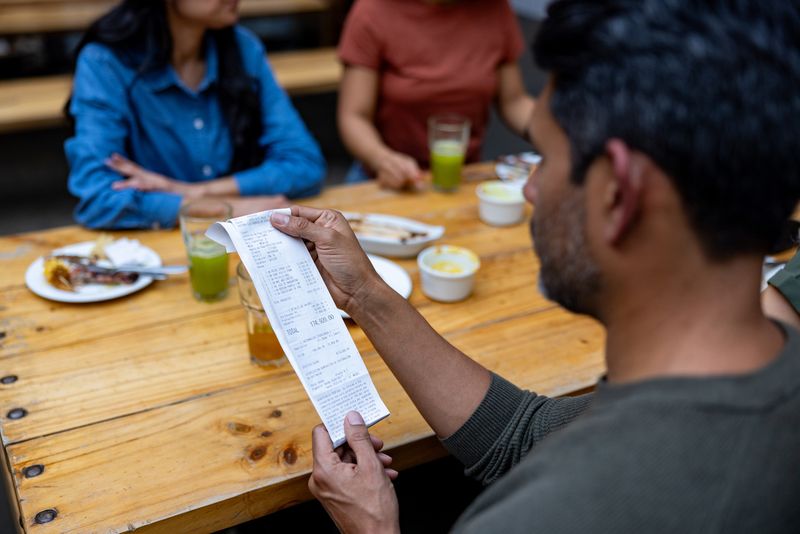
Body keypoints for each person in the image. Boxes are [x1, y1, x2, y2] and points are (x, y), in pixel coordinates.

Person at [270, 0, 800, 531]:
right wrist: (365, 293)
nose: (528, 188)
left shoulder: (548, 515)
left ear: (618, 192)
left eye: (544, 157)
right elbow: (524, 435)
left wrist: (372, 526)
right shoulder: (773, 357)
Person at [65, 0, 325, 229]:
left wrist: (191, 191)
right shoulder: (104, 62)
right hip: (153, 249)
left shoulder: (243, 47)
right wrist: (227, 208)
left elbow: (305, 164)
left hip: (243, 245)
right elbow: (98, 197)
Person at [337, 0, 536, 189]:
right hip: (389, 180)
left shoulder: (494, 8)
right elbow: (354, 116)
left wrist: (558, 134)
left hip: (464, 177)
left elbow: (514, 101)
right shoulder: (373, 10)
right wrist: (382, 159)